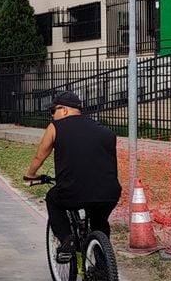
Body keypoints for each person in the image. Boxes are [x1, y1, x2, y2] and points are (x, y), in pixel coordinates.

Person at [22, 90, 123, 263]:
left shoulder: (56, 127)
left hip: (73, 192)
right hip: (109, 193)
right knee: (99, 221)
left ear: (65, 110)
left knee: (53, 198)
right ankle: (102, 262)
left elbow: (40, 156)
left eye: (53, 111)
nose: (52, 116)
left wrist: (30, 175)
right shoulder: (105, 131)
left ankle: (67, 239)